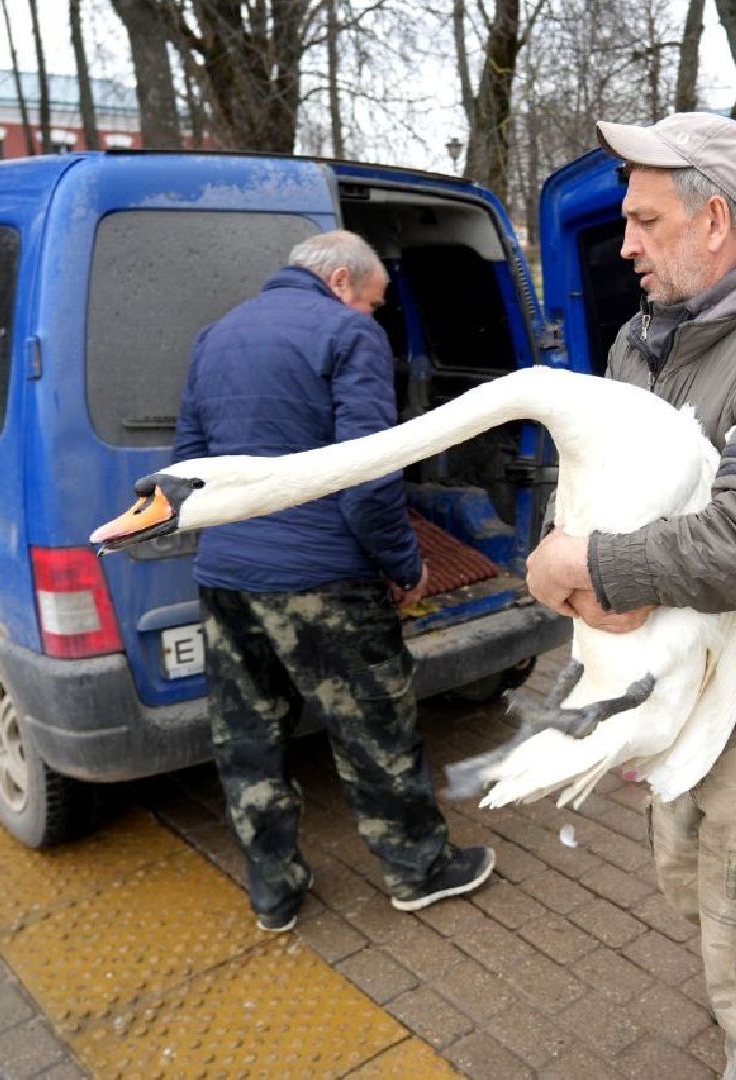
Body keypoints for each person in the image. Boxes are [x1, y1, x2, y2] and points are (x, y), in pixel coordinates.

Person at [522, 113, 736, 1077]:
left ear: (713, 220)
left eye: (644, 220)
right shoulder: (642, 340)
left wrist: (598, 569)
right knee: (696, 886)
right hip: (678, 685)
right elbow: (598, 481)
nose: (623, 244)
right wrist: (586, 570)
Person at [174, 230, 494, 932]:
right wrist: (404, 566)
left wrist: (235, 541)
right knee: (372, 727)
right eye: (376, 303)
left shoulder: (213, 336)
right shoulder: (347, 335)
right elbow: (367, 475)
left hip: (226, 575)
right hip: (323, 577)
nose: (374, 317)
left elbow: (189, 465)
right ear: (344, 280)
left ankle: (274, 891)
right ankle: (418, 869)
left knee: (246, 736)